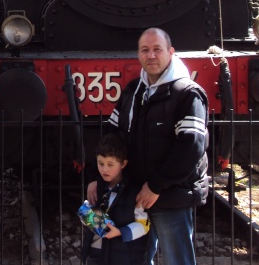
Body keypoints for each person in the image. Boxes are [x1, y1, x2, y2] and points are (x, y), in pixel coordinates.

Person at [88, 27, 209, 265]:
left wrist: (156, 186)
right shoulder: (134, 90)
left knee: (178, 259)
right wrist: (98, 176)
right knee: (137, 258)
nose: (151, 56)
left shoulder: (188, 93)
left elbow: (191, 145)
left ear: (171, 52)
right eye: (145, 50)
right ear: (138, 54)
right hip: (134, 194)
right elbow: (112, 137)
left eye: (157, 49)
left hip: (168, 194)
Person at [80, 132, 150, 265]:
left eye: (110, 164)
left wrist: (120, 232)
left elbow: (143, 225)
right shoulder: (97, 188)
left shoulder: (135, 191)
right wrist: (86, 216)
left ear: (123, 164)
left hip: (124, 256)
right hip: (96, 253)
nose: (104, 169)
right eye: (100, 163)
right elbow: (89, 215)